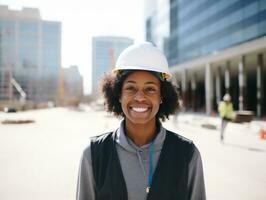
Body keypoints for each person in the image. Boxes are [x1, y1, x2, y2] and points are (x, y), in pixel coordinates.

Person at [76, 42, 206, 200]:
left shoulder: (188, 154)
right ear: (118, 94)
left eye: (150, 89)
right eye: (130, 88)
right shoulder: (93, 154)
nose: (139, 97)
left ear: (162, 96)